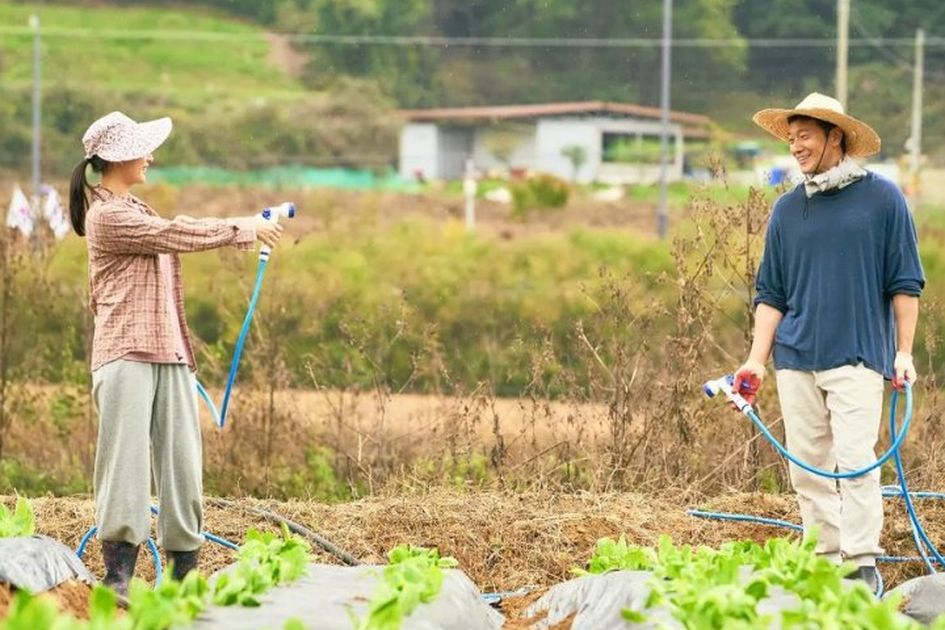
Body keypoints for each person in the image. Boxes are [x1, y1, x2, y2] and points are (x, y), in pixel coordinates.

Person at [68, 111, 283, 595]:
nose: (151, 156)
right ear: (119, 158)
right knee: (124, 463)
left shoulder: (137, 208)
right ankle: (119, 575)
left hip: (170, 352)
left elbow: (170, 233)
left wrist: (242, 227)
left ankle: (186, 571)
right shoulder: (109, 216)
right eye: (143, 148)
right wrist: (242, 227)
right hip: (125, 354)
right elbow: (176, 234)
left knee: (183, 462)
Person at [734, 93, 924, 592]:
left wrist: (903, 352)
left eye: (805, 137)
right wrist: (756, 360)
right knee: (808, 467)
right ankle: (822, 556)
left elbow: (905, 282)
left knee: (857, 462)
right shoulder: (786, 210)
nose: (795, 147)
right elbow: (770, 294)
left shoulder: (882, 199)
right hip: (796, 357)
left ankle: (861, 562)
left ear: (834, 137)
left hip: (859, 355)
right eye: (791, 138)